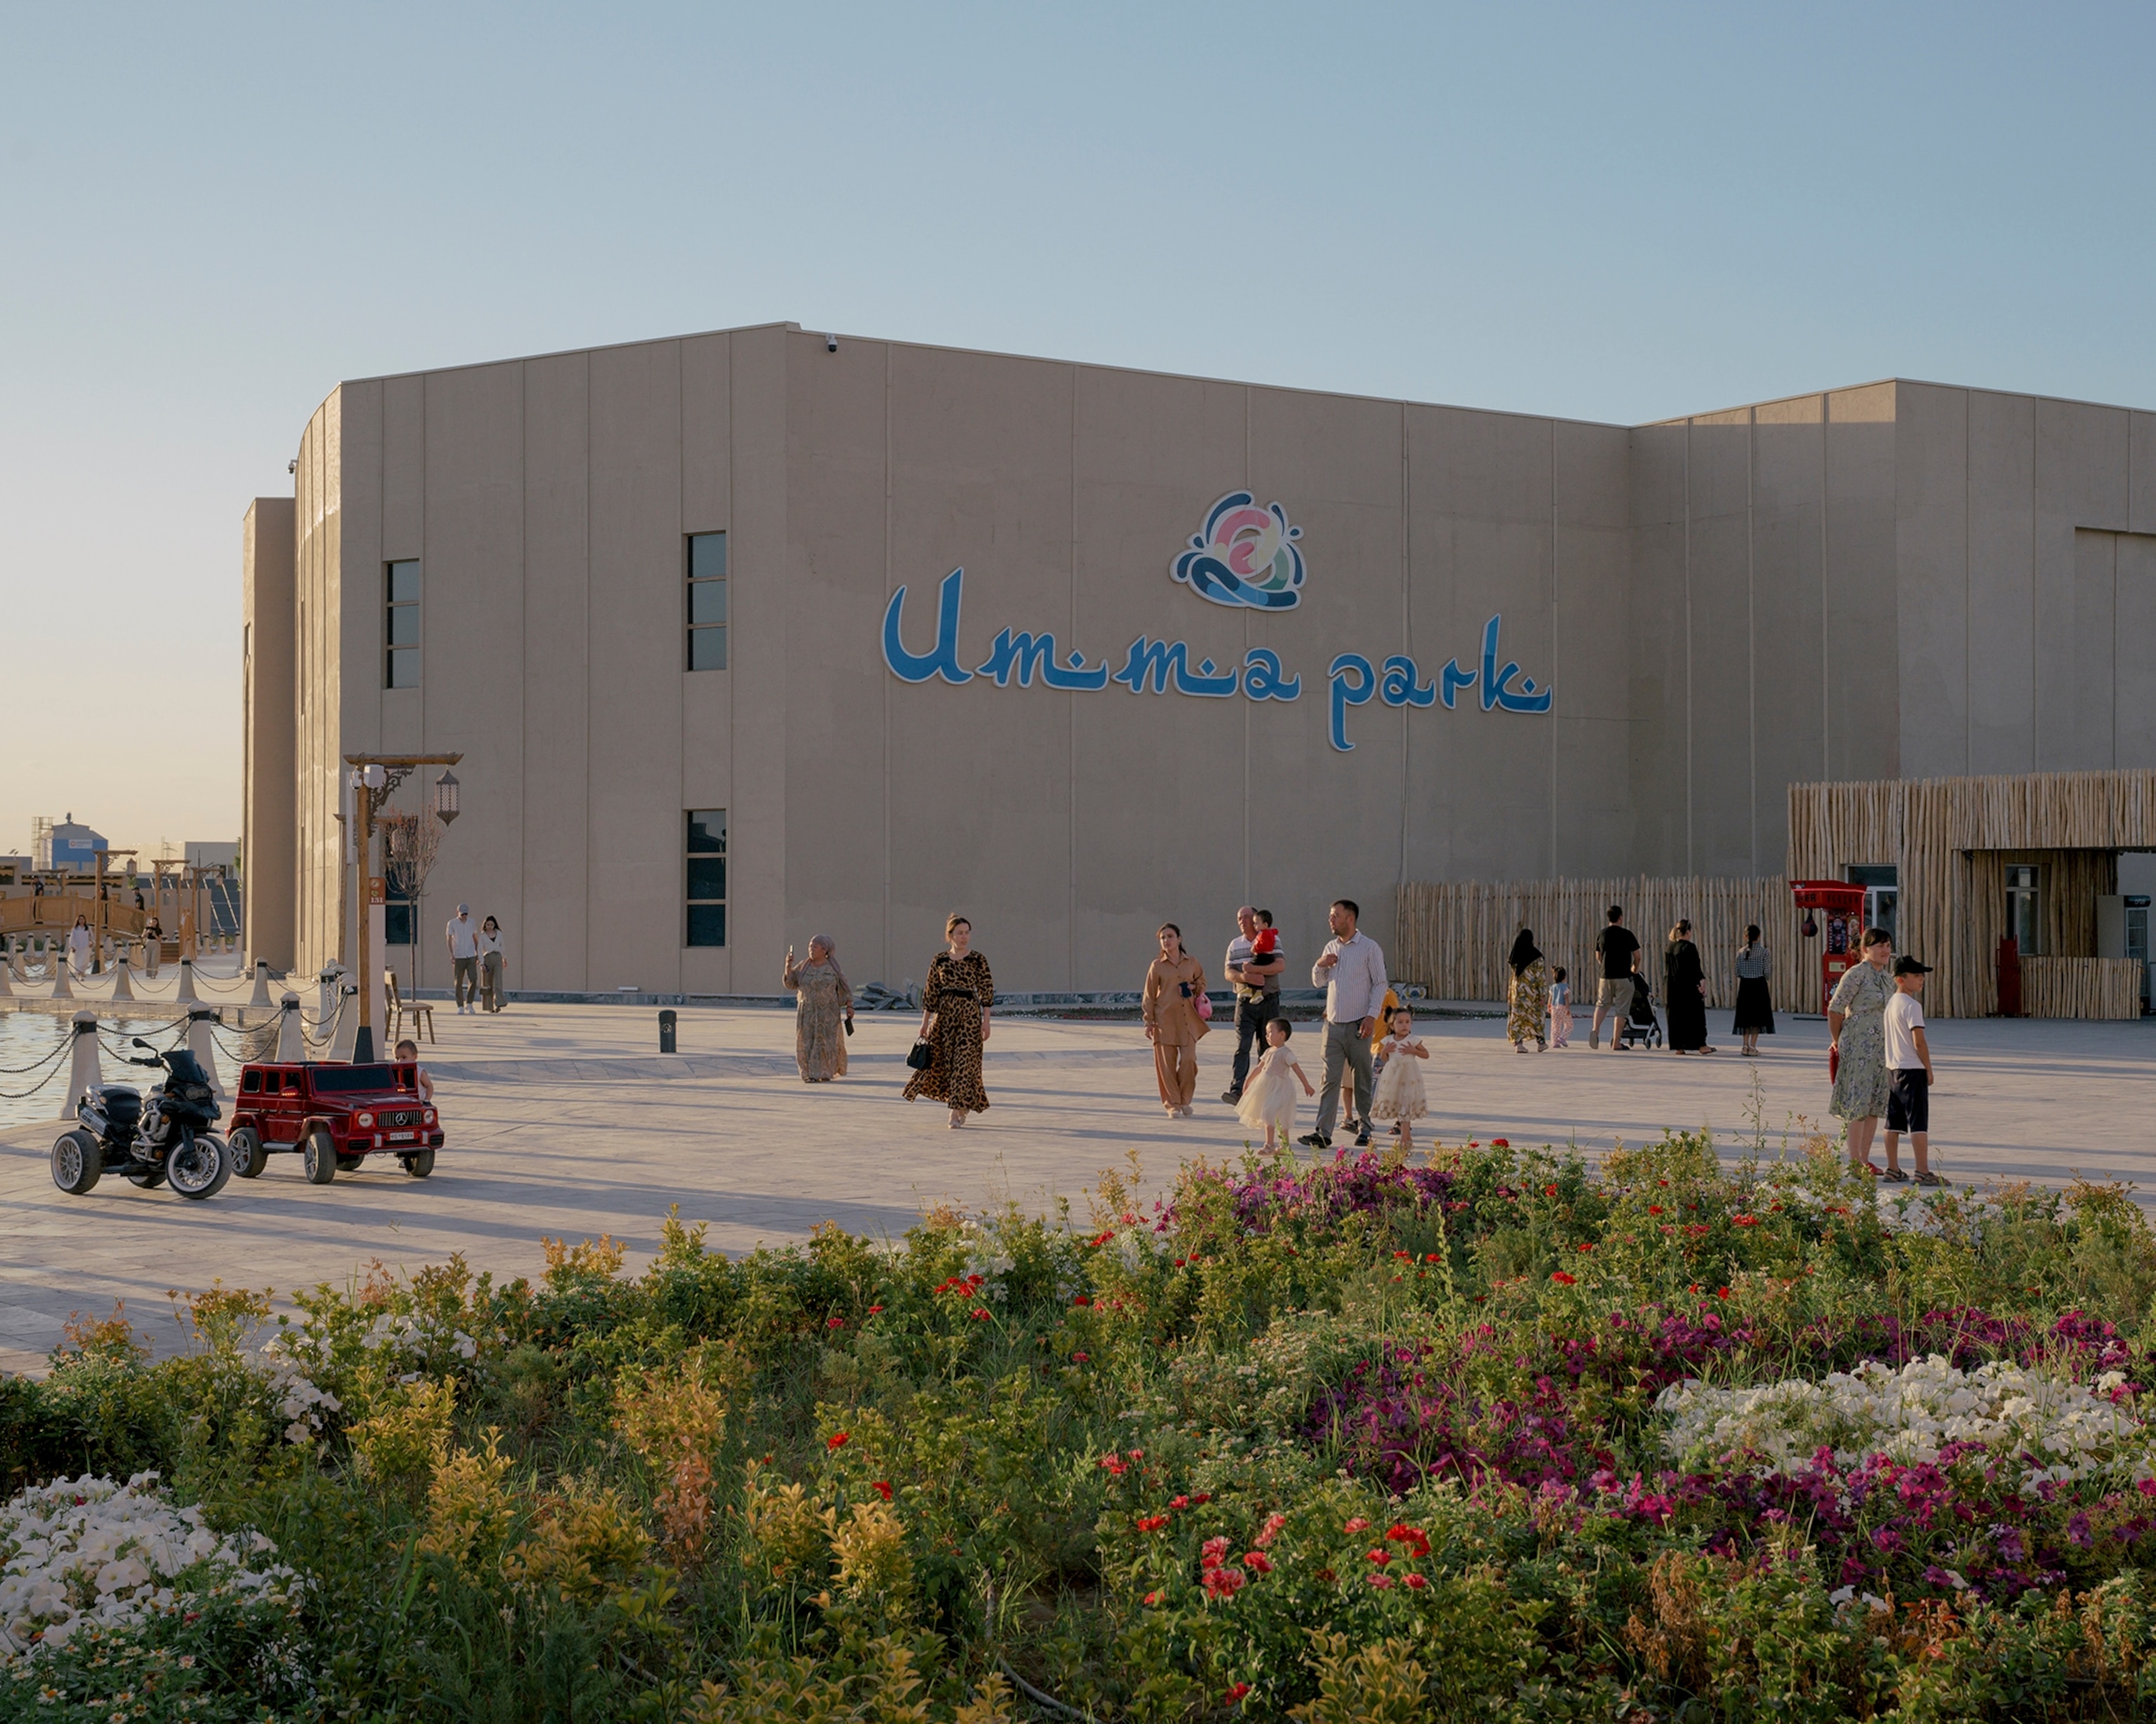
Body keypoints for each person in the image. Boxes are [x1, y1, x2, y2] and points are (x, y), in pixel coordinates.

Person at [1299, 899, 1388, 1151]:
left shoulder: (1369, 948)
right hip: (1333, 1026)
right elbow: (1318, 982)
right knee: (1330, 1080)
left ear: (1350, 919)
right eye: (1330, 915)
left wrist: (1371, 1016)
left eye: (1335, 915)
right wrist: (1320, 965)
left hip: (1359, 1024)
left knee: (1362, 1078)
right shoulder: (1331, 947)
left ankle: (1365, 1128)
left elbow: (1381, 984)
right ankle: (1323, 1132)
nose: (1331, 919)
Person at [905, 914, 993, 1126]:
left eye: (967, 933)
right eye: (960, 933)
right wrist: (925, 1022)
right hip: (944, 1019)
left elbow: (986, 990)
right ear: (950, 936)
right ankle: (960, 1104)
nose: (964, 937)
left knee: (964, 1063)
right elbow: (931, 993)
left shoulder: (978, 959)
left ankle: (955, 1111)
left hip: (969, 1017)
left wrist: (986, 1021)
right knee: (945, 1064)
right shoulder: (940, 960)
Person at [1828, 928, 1896, 1175]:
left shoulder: (1888, 979)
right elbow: (1835, 1010)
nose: (1885, 950)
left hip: (1882, 1049)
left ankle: (1865, 1159)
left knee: (1875, 1103)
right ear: (1865, 950)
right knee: (1857, 1103)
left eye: (1888, 945)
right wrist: (1838, 1041)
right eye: (1879, 946)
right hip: (1858, 1046)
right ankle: (1854, 1160)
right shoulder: (1855, 975)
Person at [1881, 956, 1948, 1186]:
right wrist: (1928, 1069)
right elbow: (1919, 1041)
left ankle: (1892, 1168)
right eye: (1917, 976)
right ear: (1901, 979)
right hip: (1912, 1070)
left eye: (1922, 976)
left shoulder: (1891, 1003)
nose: (1922, 980)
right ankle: (1922, 1171)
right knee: (1918, 1123)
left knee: (1893, 1122)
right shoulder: (1912, 1006)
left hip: (1893, 1069)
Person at [1143, 924, 1209, 1116]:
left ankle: (1185, 1100)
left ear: (1179, 939)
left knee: (1189, 1061)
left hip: (1189, 1020)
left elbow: (1202, 982)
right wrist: (1149, 1021)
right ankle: (1173, 1104)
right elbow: (1149, 996)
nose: (1166, 941)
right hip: (1164, 1021)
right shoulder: (1157, 966)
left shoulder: (1192, 962)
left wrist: (1193, 986)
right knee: (1167, 1066)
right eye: (1163, 938)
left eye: (1170, 936)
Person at [1220, 907, 1286, 1103]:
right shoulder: (1235, 944)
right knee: (1242, 1046)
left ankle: (1263, 1090)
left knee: (1267, 1047)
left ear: (1257, 919)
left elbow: (1280, 965)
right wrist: (1244, 976)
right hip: (1244, 1002)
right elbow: (1228, 973)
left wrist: (1257, 971)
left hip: (1268, 1000)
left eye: (1247, 917)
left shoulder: (1271, 939)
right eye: (1239, 918)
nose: (1243, 921)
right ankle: (1237, 1089)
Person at [1236, 1018, 1315, 1151]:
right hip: (1266, 1088)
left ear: (1282, 1035)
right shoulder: (1268, 1052)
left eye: (1270, 1033)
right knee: (1268, 1113)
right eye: (1266, 1034)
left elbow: (1297, 1069)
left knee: (1279, 1115)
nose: (1267, 1036)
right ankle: (1271, 1144)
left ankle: (1280, 1145)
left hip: (1281, 1089)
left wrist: (1307, 1085)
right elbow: (1259, 1068)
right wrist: (1248, 1082)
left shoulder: (1286, 1053)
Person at [783, 935, 853, 1082]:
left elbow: (843, 987)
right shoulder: (804, 966)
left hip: (828, 1014)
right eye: (810, 946)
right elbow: (791, 983)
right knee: (808, 1042)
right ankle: (809, 1074)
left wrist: (849, 1006)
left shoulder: (833, 968)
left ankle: (825, 1072)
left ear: (824, 950)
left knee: (827, 1043)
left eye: (815, 947)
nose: (811, 949)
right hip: (807, 1012)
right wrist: (788, 967)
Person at [1369, 1005, 1430, 1155]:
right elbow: (1384, 1059)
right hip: (1392, 1076)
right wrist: (1385, 1051)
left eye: (1407, 1022)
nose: (1404, 1025)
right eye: (1400, 1022)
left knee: (1406, 1104)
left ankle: (1404, 1139)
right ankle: (1406, 1138)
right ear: (1392, 1024)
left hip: (1409, 1075)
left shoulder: (1413, 1040)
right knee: (1398, 1104)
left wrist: (1413, 1051)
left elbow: (1426, 1054)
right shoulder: (1388, 1040)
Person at [1590, 907, 1639, 1052]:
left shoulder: (1602, 934)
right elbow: (1638, 956)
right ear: (1621, 917)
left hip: (1605, 976)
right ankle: (1616, 1042)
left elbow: (1598, 956)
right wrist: (1634, 969)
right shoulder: (1627, 934)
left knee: (1602, 1004)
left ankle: (1595, 1029)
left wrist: (1604, 966)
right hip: (1623, 976)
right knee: (1621, 1011)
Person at [1664, 920, 1713, 1053]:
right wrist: (1701, 983)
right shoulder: (1689, 947)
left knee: (1676, 1016)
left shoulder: (1670, 947)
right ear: (1688, 932)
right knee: (1696, 1015)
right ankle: (1701, 1045)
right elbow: (1695, 968)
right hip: (1687, 987)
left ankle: (1679, 1046)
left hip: (1672, 987)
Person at [1505, 928, 1549, 1053]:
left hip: (1517, 992)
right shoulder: (1537, 956)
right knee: (1537, 1016)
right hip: (1532, 993)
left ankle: (1518, 1044)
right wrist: (1543, 994)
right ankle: (1540, 1043)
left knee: (1518, 1017)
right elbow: (1540, 977)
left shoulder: (1515, 955)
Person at [1733, 926, 1775, 1056]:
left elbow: (1737, 972)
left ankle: (1744, 1046)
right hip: (1759, 986)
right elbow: (1767, 972)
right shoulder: (1764, 952)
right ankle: (1752, 1046)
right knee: (1757, 1017)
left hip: (1745, 986)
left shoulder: (1741, 952)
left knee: (1745, 1017)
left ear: (1746, 937)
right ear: (1759, 936)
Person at [446, 904, 481, 1013]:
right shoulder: (452, 923)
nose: (464, 916)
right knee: (459, 981)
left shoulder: (472, 922)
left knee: (473, 978)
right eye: (462, 914)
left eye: (466, 914)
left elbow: (475, 938)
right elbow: (449, 939)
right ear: (457, 912)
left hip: (470, 954)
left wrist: (478, 953)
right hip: (458, 955)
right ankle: (460, 1005)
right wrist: (451, 954)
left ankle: (469, 1003)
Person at [394, 1037, 435, 1104]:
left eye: (404, 1057)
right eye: (397, 1058)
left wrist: (426, 1101)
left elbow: (429, 1087)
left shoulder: (420, 1072)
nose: (400, 1061)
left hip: (418, 1103)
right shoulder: (395, 1072)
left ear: (415, 1057)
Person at [477, 915, 506, 1013]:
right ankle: (489, 1006)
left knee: (497, 982)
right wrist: (482, 963)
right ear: (485, 925)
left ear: (495, 925)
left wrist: (504, 958)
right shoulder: (482, 936)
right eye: (488, 924)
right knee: (487, 983)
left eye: (492, 924)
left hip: (497, 957)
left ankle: (499, 1004)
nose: (490, 926)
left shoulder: (499, 934)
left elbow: (502, 946)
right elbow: (480, 950)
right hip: (488, 958)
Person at [1548, 966, 1573, 1048]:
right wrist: (1568, 1008)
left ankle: (1554, 1042)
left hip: (1554, 1008)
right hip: (1562, 1007)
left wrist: (1549, 1007)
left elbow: (1550, 998)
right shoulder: (1565, 987)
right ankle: (1562, 1037)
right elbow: (1566, 998)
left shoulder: (1552, 987)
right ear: (1564, 977)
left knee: (1555, 1026)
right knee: (1569, 1025)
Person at [67, 915, 92, 979]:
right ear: (78, 920)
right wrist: (72, 946)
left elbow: (92, 937)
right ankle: (79, 974)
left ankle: (82, 972)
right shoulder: (75, 929)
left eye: (83, 919)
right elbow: (72, 938)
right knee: (79, 961)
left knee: (85, 961)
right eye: (80, 919)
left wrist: (92, 943)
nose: (82, 921)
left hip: (86, 947)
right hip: (77, 947)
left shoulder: (88, 928)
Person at [140, 913, 163, 980]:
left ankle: (154, 973)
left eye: (155, 922)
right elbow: (142, 936)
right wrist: (147, 933)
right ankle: (149, 973)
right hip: (149, 942)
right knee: (148, 959)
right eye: (152, 921)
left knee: (154, 959)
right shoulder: (147, 928)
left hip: (156, 944)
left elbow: (160, 940)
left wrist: (155, 935)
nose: (154, 923)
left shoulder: (159, 930)